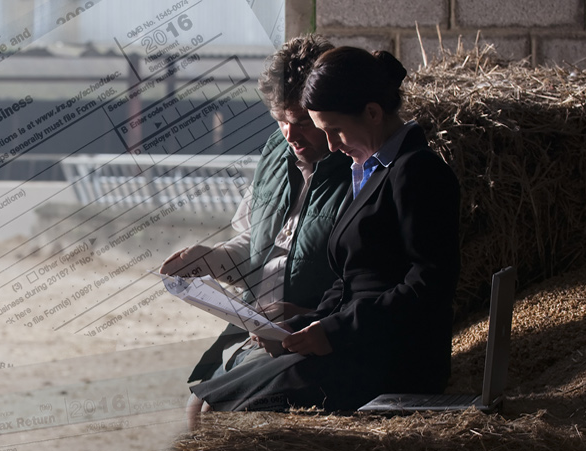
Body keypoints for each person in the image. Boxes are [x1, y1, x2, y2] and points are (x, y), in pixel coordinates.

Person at [185, 46, 461, 421]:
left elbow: (429, 285)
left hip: (391, 358)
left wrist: (335, 330)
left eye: (334, 130)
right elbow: (351, 280)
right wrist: (300, 326)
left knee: (218, 410)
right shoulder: (370, 170)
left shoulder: (419, 171)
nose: (331, 145)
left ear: (373, 113)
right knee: (203, 401)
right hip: (355, 343)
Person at [155, 34, 354, 429]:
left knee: (207, 414)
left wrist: (313, 317)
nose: (288, 135)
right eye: (278, 120)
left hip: (307, 337)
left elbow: (367, 280)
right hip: (254, 329)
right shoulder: (275, 154)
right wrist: (207, 261)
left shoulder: (358, 171)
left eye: (299, 122)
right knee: (196, 411)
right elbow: (257, 246)